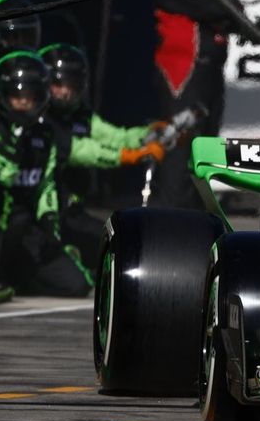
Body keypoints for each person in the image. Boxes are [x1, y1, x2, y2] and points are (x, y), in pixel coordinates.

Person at [0, 52, 92, 297]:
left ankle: (21, 275)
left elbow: (46, 184)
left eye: (30, 97)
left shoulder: (45, 135)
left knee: (76, 284)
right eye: (17, 96)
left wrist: (49, 220)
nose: (24, 103)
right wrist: (15, 143)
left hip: (27, 230)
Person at [39, 43, 165, 267]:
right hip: (41, 213)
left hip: (70, 212)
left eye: (72, 84)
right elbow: (80, 151)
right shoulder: (39, 119)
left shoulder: (82, 116)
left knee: (118, 246)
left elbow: (114, 137)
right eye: (58, 84)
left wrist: (150, 134)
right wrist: (127, 156)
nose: (65, 91)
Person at [153, 0, 242, 208]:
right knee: (178, 159)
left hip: (210, 78)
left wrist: (228, 17)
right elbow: (216, 8)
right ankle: (163, 231)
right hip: (183, 78)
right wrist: (226, 16)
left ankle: (194, 231)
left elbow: (235, 13)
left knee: (203, 159)